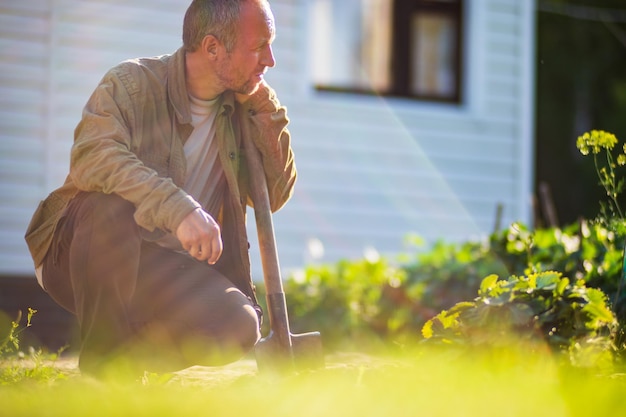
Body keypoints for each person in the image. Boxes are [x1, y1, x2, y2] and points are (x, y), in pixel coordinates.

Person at [24, 0, 296, 377]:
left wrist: (264, 106)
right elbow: (93, 156)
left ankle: (126, 371)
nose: (270, 59)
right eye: (258, 46)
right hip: (80, 256)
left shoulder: (245, 107)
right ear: (213, 47)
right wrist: (179, 208)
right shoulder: (131, 85)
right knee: (109, 207)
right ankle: (104, 374)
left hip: (165, 273)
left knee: (239, 323)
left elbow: (275, 196)